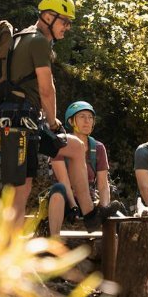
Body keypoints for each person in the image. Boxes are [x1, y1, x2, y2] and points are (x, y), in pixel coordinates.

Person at [0, 0, 113, 231]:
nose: (67, 27)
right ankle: (6, 250)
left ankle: (88, 212)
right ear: (48, 16)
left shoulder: (22, 37)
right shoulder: (37, 41)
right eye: (64, 21)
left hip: (22, 121)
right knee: (19, 189)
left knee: (74, 149)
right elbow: (47, 89)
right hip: (20, 122)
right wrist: (54, 123)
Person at [46, 101, 111, 238]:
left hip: (89, 200)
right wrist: (74, 206)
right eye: (82, 116)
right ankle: (54, 241)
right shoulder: (60, 145)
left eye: (90, 117)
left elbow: (103, 184)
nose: (87, 121)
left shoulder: (98, 148)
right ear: (71, 121)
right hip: (66, 200)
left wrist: (104, 208)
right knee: (58, 189)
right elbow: (63, 180)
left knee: (114, 212)